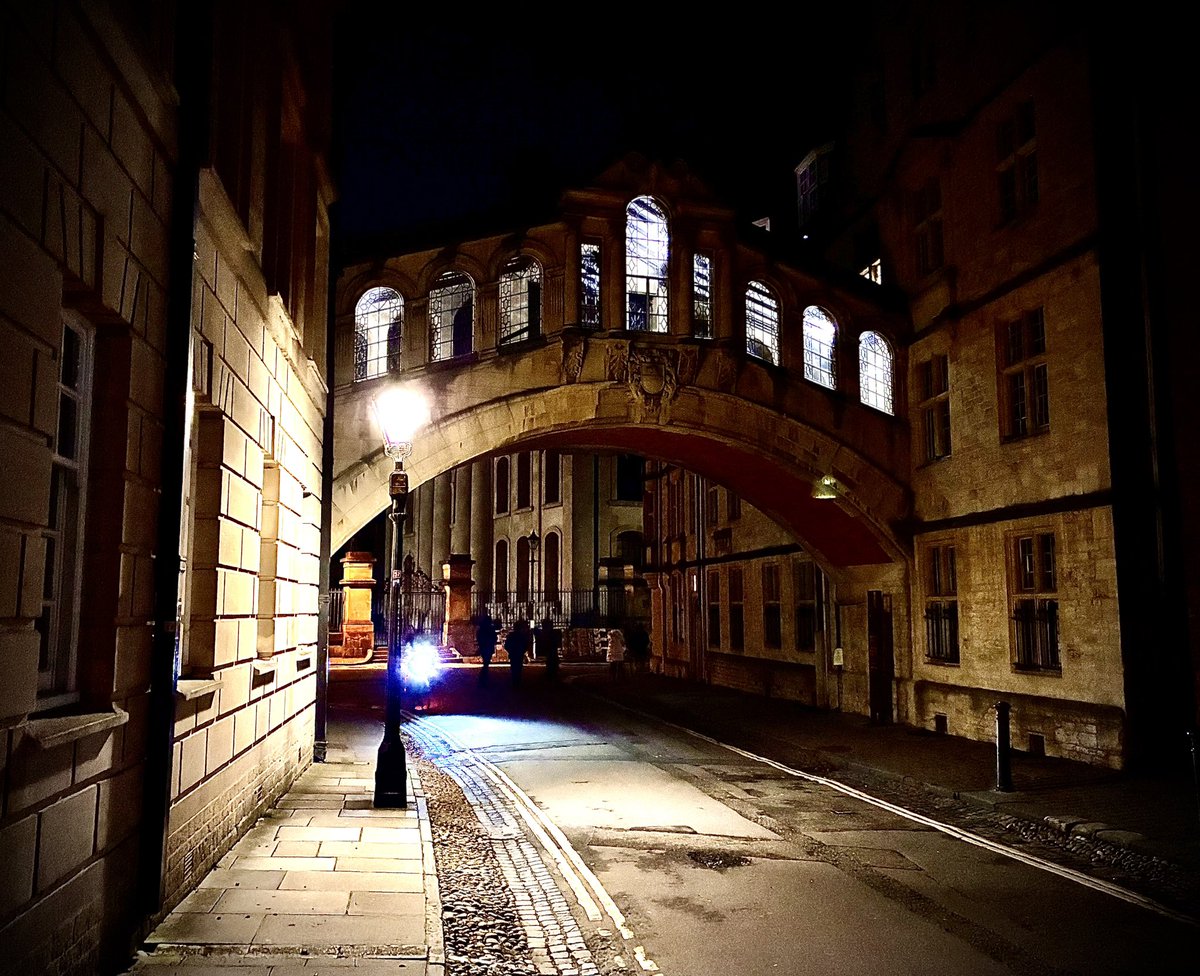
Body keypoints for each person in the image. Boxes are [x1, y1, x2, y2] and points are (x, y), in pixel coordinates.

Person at [505, 618, 530, 687]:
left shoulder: (512, 636)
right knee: (518, 668)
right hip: (518, 654)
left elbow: (507, 645)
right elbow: (526, 645)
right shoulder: (521, 636)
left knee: (514, 668)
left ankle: (515, 681)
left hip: (514, 654)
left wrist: (511, 651)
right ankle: (517, 682)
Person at [475, 613, 498, 686]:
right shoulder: (489, 629)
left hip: (484, 647)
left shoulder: (481, 629)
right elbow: (494, 637)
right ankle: (483, 677)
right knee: (486, 663)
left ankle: (483, 677)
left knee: (486, 662)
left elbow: (479, 638)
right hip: (488, 646)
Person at [537, 615, 561, 682]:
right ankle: (552, 672)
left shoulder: (549, 633)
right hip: (551, 649)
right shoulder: (553, 633)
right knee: (551, 659)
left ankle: (552, 672)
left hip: (550, 649)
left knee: (551, 659)